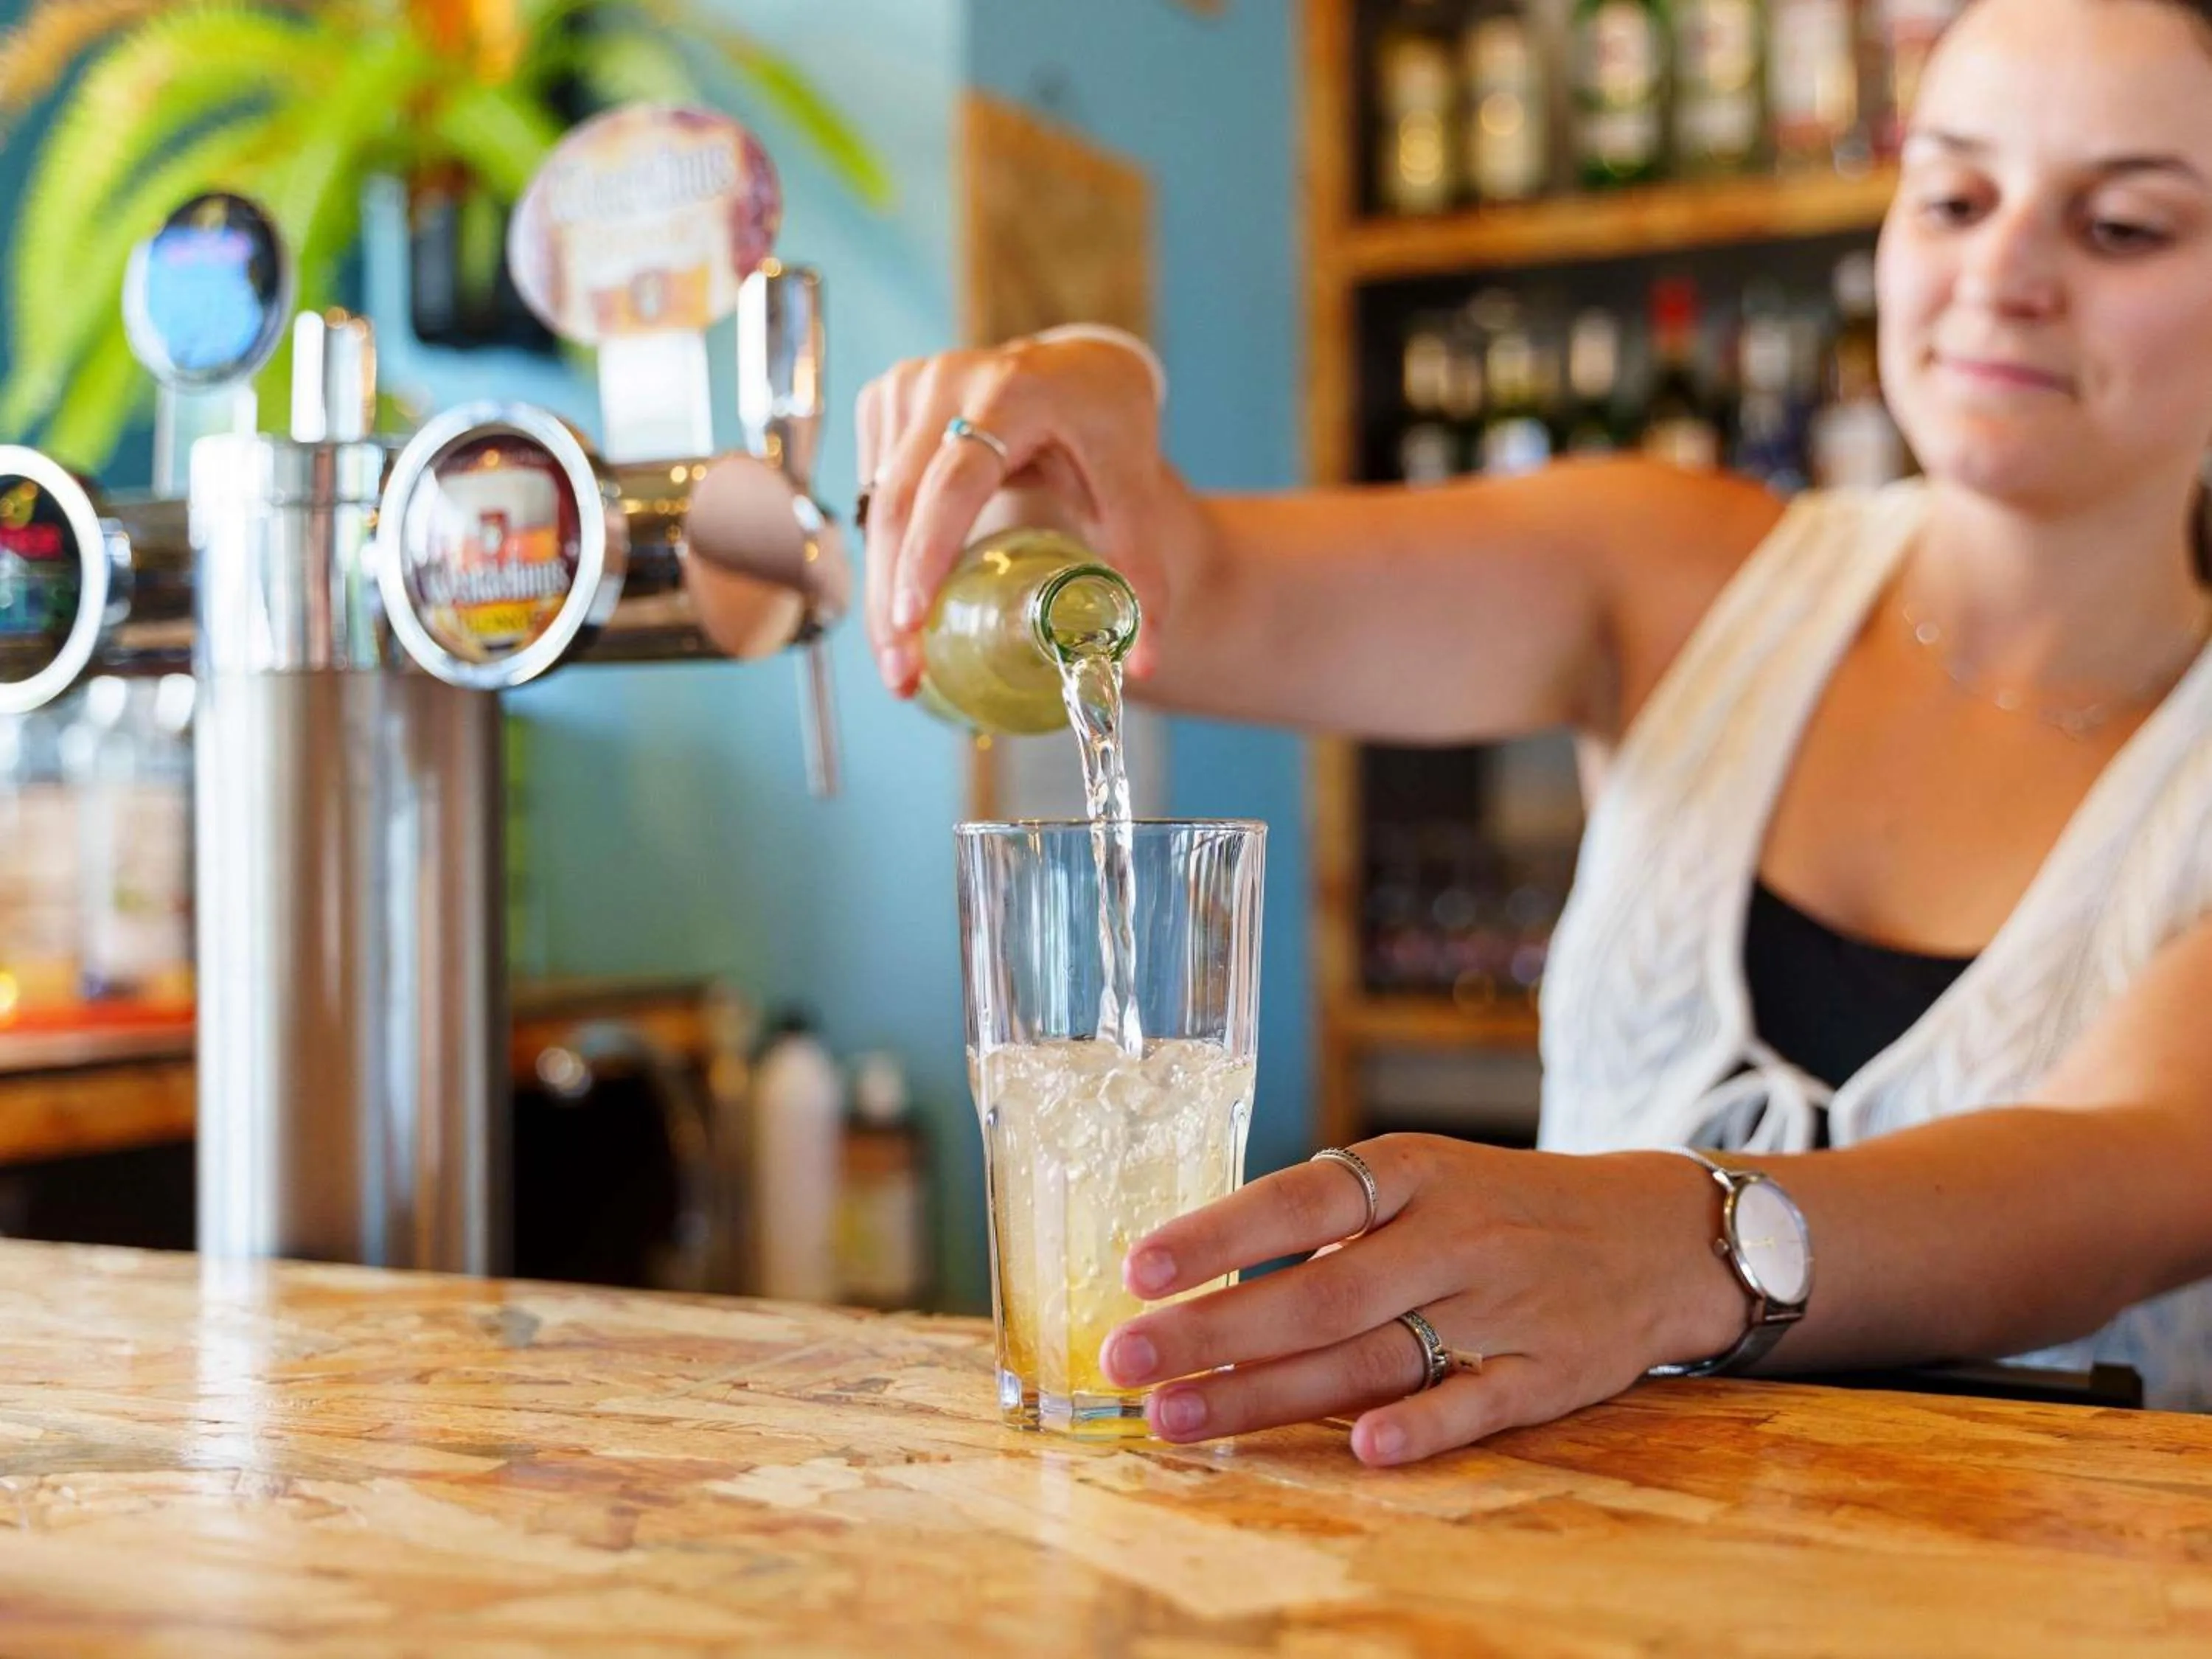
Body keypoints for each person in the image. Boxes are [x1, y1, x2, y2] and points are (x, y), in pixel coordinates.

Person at [693, 0, 2212, 1464]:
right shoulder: (1678, 574)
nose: (2004, 272)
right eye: (1953, 196)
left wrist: (1683, 1242)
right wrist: (1098, 395)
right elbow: (1181, 597)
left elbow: (2135, 1172)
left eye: (2124, 226)